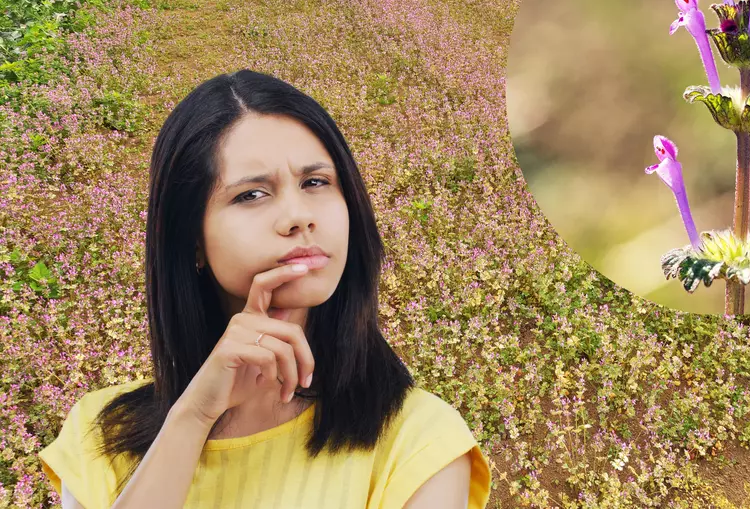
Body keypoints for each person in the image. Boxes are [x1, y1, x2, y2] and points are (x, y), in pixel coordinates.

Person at [37, 69, 491, 509]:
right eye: (251, 194)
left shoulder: (419, 442)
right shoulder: (99, 438)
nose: (298, 215)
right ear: (190, 238)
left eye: (316, 182)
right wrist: (191, 419)